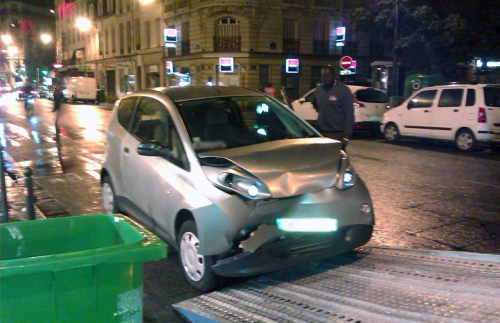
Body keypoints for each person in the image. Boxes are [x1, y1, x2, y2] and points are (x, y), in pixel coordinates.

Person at [311, 65, 354, 150]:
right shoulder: (318, 90)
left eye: (328, 76)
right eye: (323, 76)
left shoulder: (343, 90)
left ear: (333, 76)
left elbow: (349, 114)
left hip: (338, 133)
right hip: (322, 132)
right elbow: (314, 103)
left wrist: (347, 136)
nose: (326, 78)